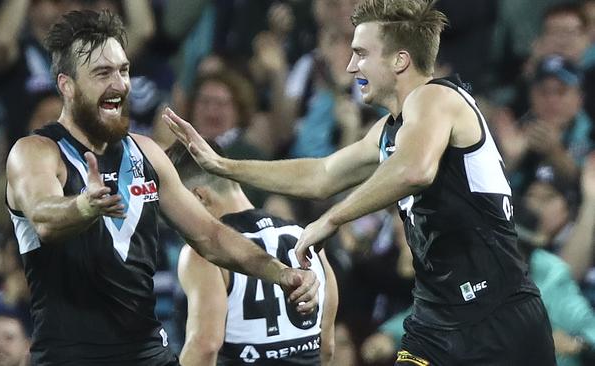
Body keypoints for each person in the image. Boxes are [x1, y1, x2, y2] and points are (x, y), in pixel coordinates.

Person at [164, 0, 556, 364]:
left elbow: (415, 169)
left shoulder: (436, 98)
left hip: (498, 315)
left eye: (362, 53)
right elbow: (322, 175)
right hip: (437, 321)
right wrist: (223, 165)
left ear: (400, 60)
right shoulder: (390, 129)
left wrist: (332, 220)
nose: (351, 67)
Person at [5, 9, 319, 365]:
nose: (120, 84)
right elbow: (43, 217)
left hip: (148, 355)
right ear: (67, 85)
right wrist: (83, 206)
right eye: (102, 73)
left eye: (123, 70)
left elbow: (210, 236)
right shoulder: (34, 152)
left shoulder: (147, 153)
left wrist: (281, 273)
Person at [168, 141, 338, 366]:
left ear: (198, 197)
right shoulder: (306, 240)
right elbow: (326, 346)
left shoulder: (202, 254)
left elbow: (204, 346)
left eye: (172, 205)